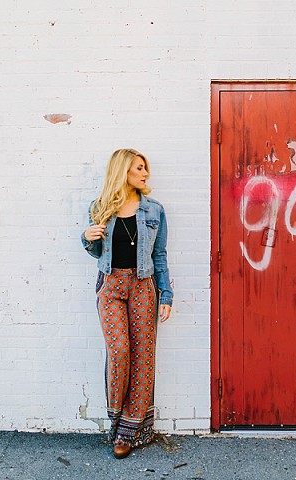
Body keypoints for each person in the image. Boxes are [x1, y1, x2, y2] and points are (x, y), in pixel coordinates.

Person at [81, 148, 173, 459]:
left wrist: (167, 296)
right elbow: (95, 252)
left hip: (143, 285)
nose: (145, 173)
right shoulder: (100, 207)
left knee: (143, 356)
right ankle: (116, 420)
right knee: (119, 351)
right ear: (122, 172)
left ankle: (130, 432)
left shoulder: (154, 210)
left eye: (145, 168)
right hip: (111, 285)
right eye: (138, 169)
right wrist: (88, 237)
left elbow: (159, 257)